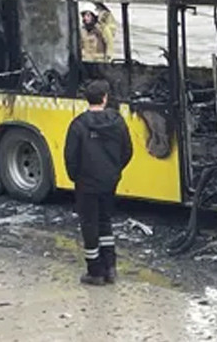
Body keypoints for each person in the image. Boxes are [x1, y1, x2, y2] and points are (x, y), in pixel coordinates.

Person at [63, 79, 134, 286]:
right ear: (105, 98)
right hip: (109, 182)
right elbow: (127, 151)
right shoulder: (117, 121)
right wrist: (114, 171)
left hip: (86, 183)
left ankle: (95, 271)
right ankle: (111, 268)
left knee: (89, 224)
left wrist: (76, 177)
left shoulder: (78, 125)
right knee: (105, 221)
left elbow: (71, 157)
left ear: (88, 99)